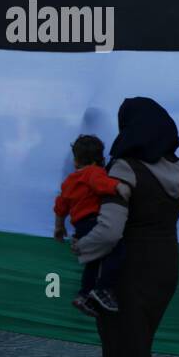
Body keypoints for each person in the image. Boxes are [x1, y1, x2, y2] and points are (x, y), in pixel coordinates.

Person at [72, 97, 179, 357]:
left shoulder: (123, 168)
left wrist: (81, 249)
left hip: (129, 274)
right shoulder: (175, 166)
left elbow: (109, 230)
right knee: (135, 355)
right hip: (165, 268)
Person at [54, 134, 124, 317]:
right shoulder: (94, 172)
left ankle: (84, 294)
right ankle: (103, 288)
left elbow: (60, 206)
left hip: (80, 226)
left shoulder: (69, 181)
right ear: (99, 160)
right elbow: (102, 185)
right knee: (117, 249)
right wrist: (119, 187)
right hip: (94, 221)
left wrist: (59, 227)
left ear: (76, 161)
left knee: (92, 261)